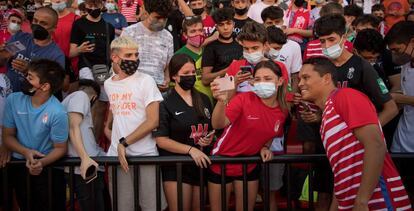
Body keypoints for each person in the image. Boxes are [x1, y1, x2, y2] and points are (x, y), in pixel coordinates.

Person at [298, 57, 412, 210]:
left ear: (326, 78)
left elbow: (376, 145)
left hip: (378, 201)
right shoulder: (327, 115)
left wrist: (362, 200)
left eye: (306, 77)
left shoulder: (345, 96)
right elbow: (340, 171)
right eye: (299, 79)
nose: (300, 84)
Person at [209, 60, 288, 211]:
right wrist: (220, 102)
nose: (262, 82)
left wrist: (265, 146)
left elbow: (272, 132)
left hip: (249, 165)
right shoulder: (243, 99)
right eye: (257, 79)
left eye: (268, 78)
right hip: (222, 162)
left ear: (280, 81)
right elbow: (218, 124)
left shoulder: (282, 111)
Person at [104, 36, 166, 211]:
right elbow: (115, 112)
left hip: (145, 153)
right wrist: (110, 132)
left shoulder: (146, 81)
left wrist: (124, 143)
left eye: (136, 55)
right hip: (118, 157)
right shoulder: (109, 84)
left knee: (151, 207)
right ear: (115, 57)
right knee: (122, 207)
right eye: (129, 55)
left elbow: (153, 121)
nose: (134, 59)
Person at [2, 59, 68, 211]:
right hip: (19, 167)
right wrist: (26, 152)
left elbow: (60, 148)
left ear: (45, 86)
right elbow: (7, 136)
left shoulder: (58, 112)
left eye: (30, 77)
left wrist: (41, 163)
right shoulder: (13, 100)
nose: (26, 80)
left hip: (49, 170)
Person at [314, 14, 399, 127]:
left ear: (344, 38)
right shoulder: (322, 67)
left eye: (331, 39)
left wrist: (369, 133)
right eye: (322, 41)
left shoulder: (363, 66)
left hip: (357, 140)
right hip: (330, 137)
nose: (327, 45)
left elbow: (391, 108)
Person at [154, 54, 214, 211]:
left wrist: (208, 138)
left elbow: (211, 128)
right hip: (176, 167)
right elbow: (161, 140)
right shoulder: (164, 102)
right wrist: (190, 150)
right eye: (186, 73)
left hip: (200, 165)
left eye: (193, 73)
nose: (191, 76)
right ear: (174, 76)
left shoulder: (204, 99)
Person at [70, 0, 115, 141]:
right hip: (86, 68)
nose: (93, 8)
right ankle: (80, 142)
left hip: (104, 70)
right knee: (86, 102)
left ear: (102, 6)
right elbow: (71, 52)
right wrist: (80, 49)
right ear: (86, 6)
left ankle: (93, 143)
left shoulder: (109, 27)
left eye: (96, 5)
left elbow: (110, 52)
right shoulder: (79, 24)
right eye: (90, 5)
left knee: (101, 108)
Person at [62, 79, 105, 211]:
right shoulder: (81, 96)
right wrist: (85, 158)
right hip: (85, 168)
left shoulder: (69, 102)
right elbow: (73, 128)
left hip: (83, 166)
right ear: (94, 98)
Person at [385, 21, 414, 201]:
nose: (395, 55)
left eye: (397, 49)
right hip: (402, 142)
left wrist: (400, 99)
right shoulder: (406, 65)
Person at [5, 7, 65, 92]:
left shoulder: (56, 55)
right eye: (35, 21)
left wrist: (29, 70)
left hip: (30, 100)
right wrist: (3, 54)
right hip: (7, 93)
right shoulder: (20, 38)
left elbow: (54, 85)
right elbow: (2, 59)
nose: (37, 25)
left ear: (54, 28)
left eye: (43, 23)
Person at [121, 0, 173, 93]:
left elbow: (168, 66)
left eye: (164, 18)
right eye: (157, 17)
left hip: (158, 93)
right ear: (147, 13)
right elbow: (118, 63)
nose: (161, 21)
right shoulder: (129, 33)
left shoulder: (168, 37)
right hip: (132, 91)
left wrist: (167, 80)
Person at [201, 7, 242, 87]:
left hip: (243, 90)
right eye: (221, 25)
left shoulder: (240, 43)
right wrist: (228, 70)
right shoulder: (211, 48)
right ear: (216, 27)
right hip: (222, 92)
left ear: (233, 24)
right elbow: (205, 79)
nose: (225, 28)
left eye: (228, 23)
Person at [175, 16, 213, 101]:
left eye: (200, 30)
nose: (198, 34)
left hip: (211, 103)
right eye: (193, 31)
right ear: (185, 34)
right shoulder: (179, 56)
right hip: (191, 104)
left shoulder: (210, 51)